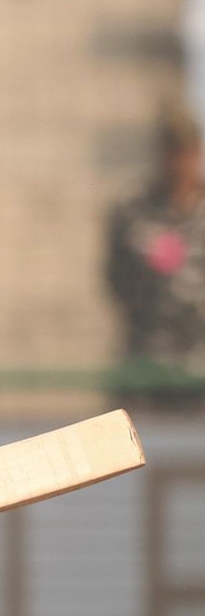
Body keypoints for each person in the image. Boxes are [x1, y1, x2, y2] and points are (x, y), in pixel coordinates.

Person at [106, 107, 205, 406]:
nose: (179, 161)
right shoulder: (133, 208)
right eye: (172, 151)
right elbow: (114, 276)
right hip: (146, 362)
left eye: (186, 151)